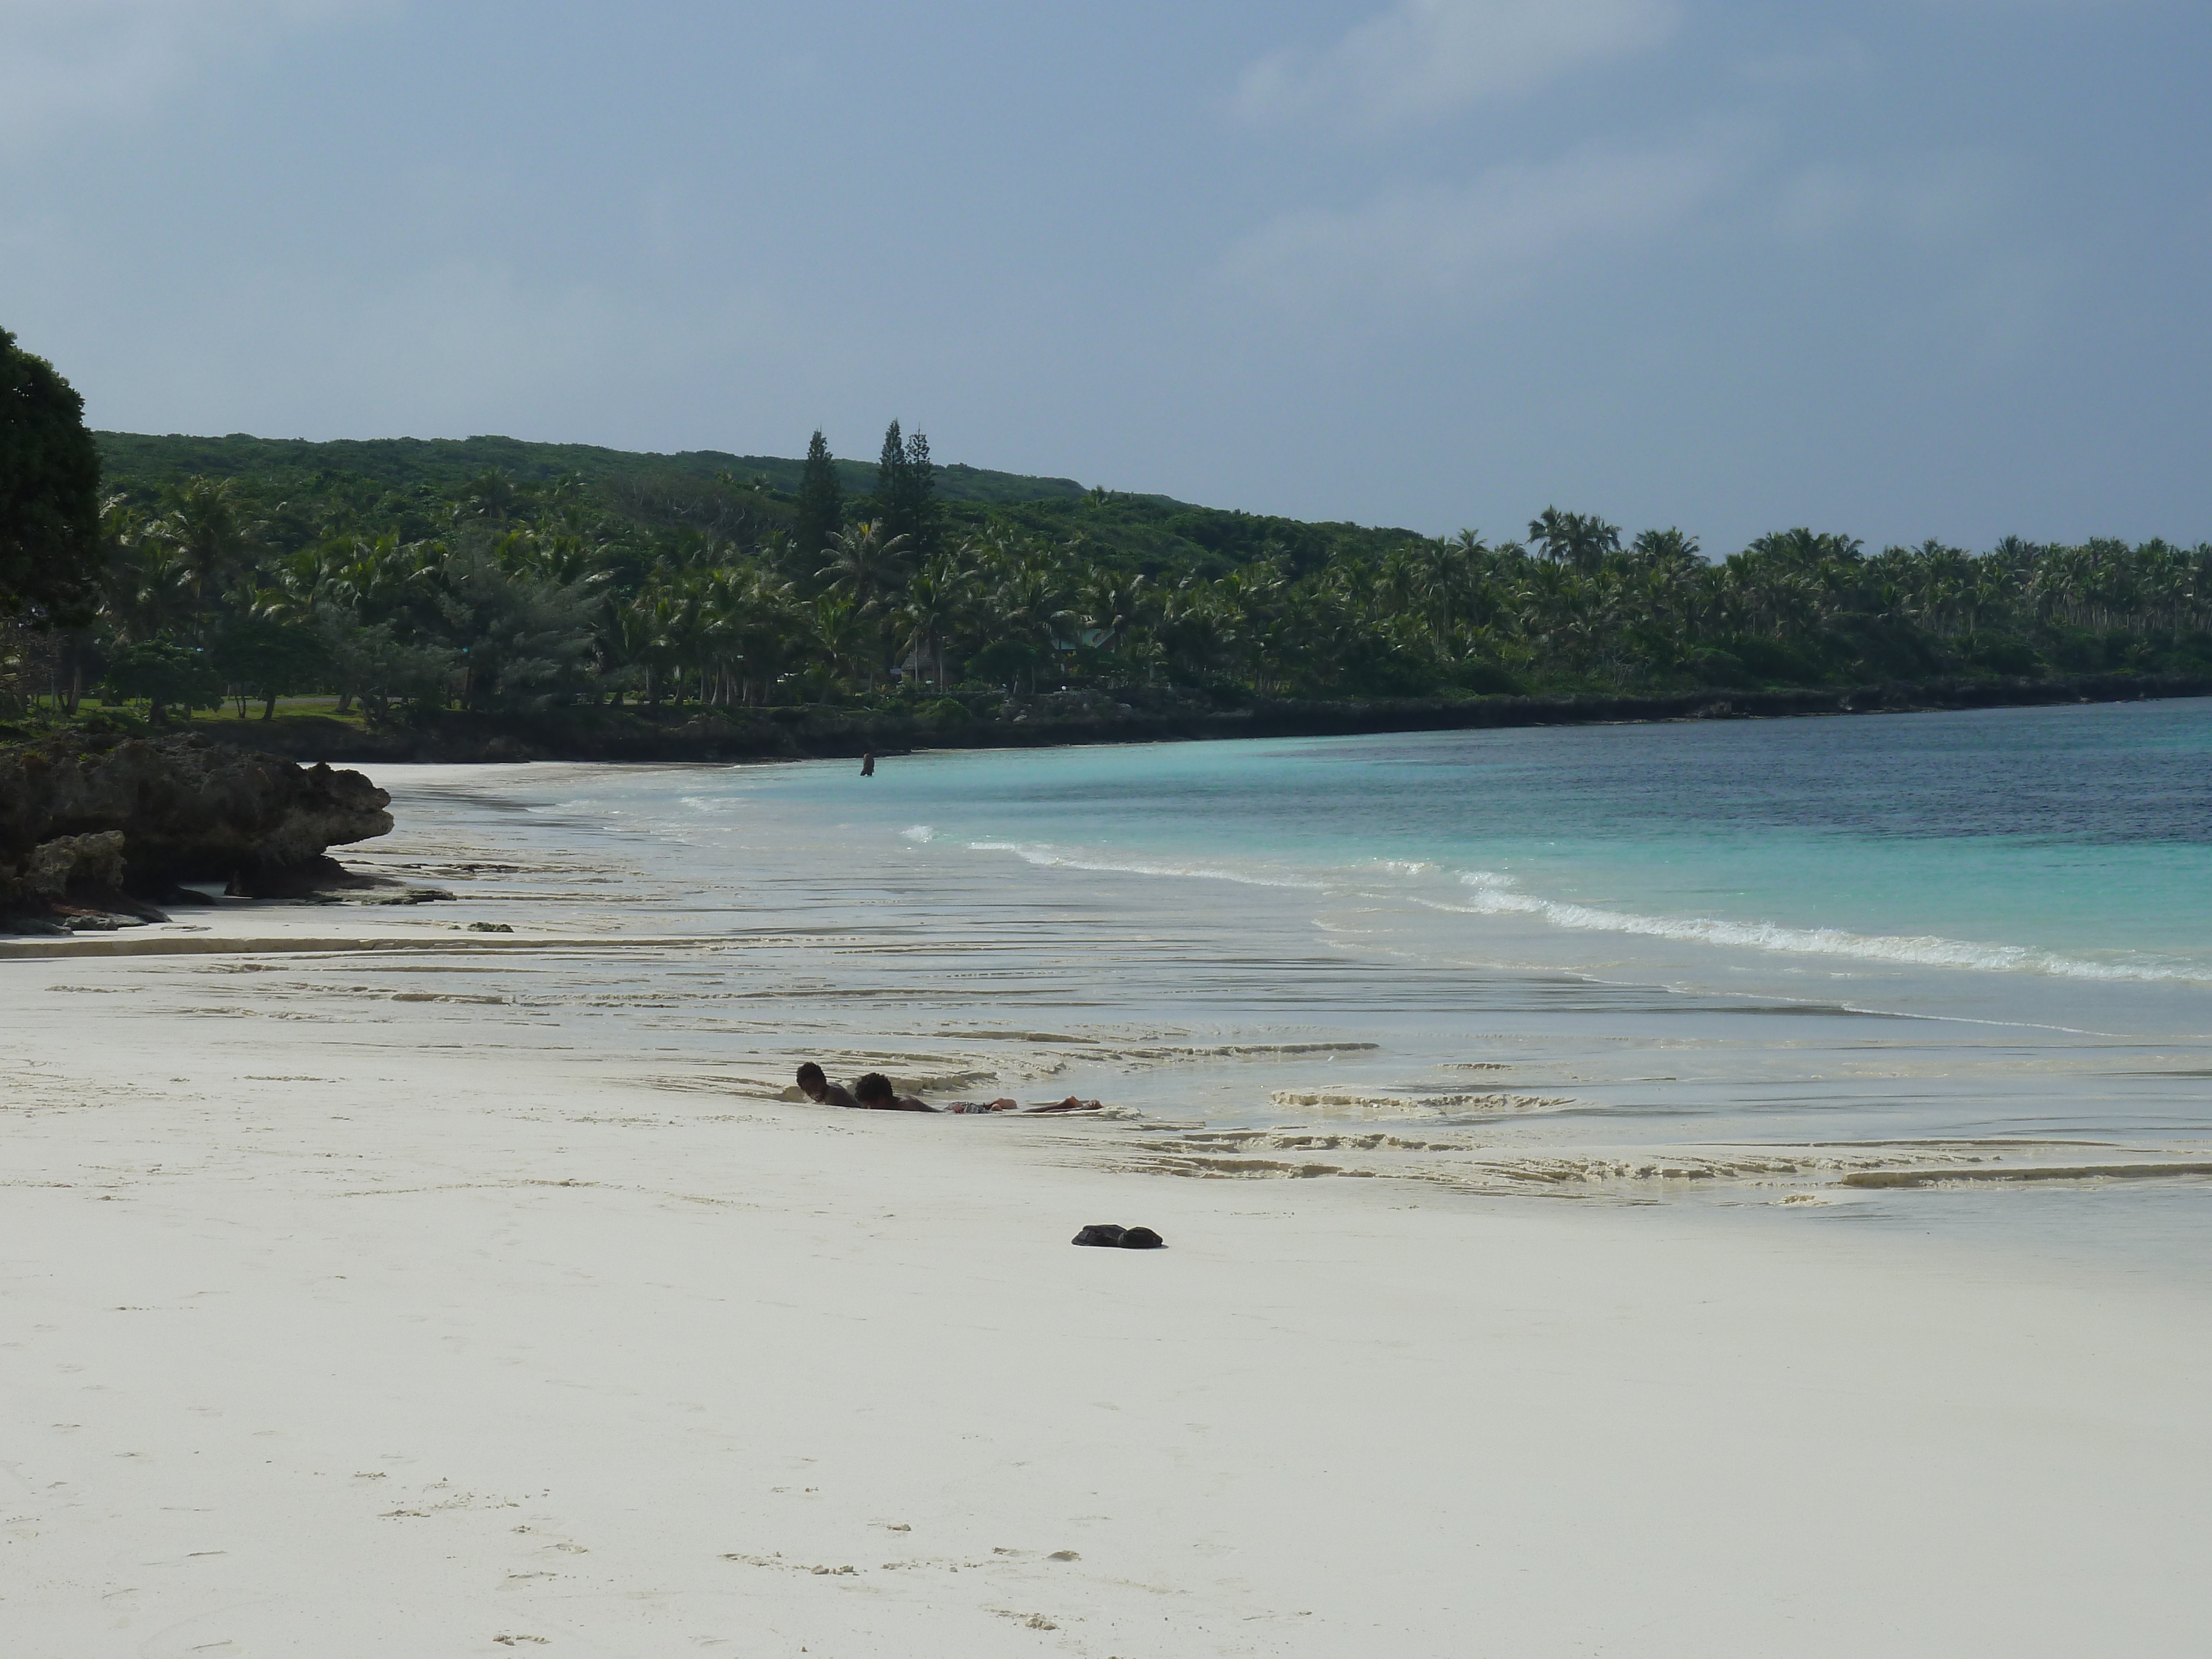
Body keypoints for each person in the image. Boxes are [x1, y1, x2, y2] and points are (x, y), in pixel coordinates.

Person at [851, 1072, 1101, 1114]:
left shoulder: (904, 1107)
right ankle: (994, 1105)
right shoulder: (901, 1103)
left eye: (870, 1106)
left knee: (1028, 1114)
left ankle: (1068, 1105)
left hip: (961, 1112)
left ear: (881, 1100)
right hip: (957, 1109)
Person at [794, 1061, 860, 1110]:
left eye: (814, 1086)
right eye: (808, 1090)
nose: (813, 1092)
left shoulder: (832, 1095)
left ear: (823, 1080)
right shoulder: (831, 1088)